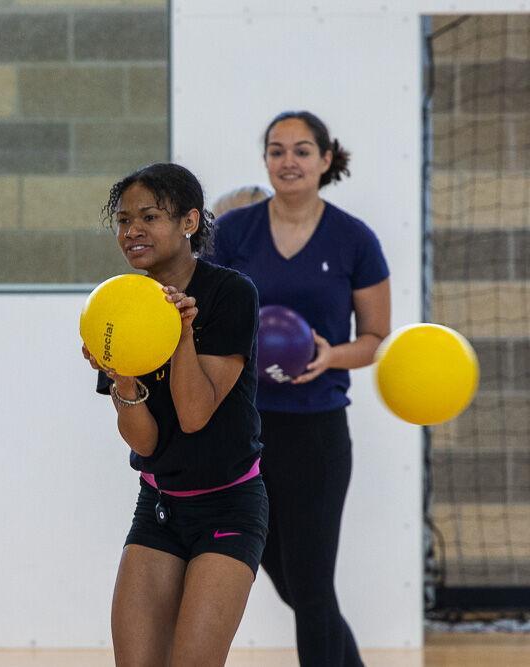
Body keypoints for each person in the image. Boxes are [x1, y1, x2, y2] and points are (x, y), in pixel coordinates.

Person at [206, 111, 391, 667]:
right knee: (288, 581)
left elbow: (377, 338)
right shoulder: (234, 232)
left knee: (311, 589)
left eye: (302, 150)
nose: (289, 161)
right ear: (265, 159)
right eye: (278, 150)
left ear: (325, 159)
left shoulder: (355, 238)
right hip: (245, 431)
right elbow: (203, 318)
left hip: (317, 431)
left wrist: (333, 355)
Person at [83, 163, 268, 667]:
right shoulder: (118, 306)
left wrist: (182, 332)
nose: (132, 231)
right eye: (123, 220)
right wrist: (121, 377)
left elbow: (194, 415)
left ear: (189, 222)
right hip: (159, 508)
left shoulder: (230, 294)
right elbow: (143, 443)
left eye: (149, 217)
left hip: (229, 508)